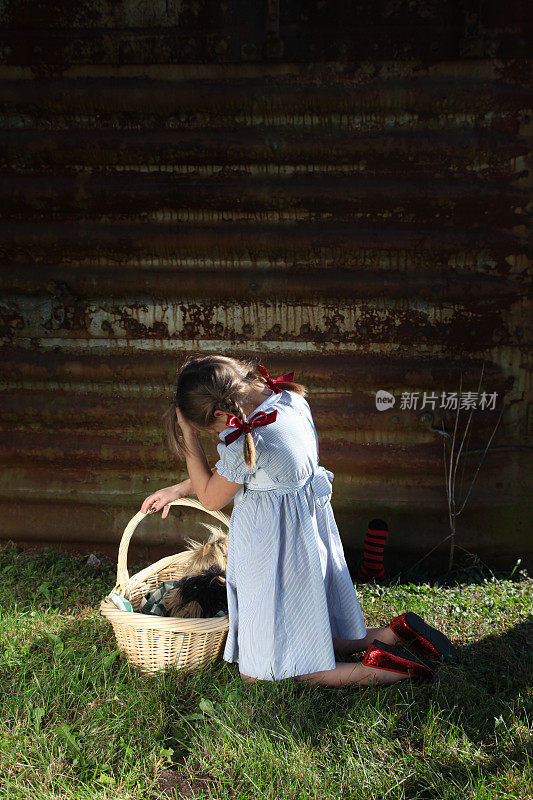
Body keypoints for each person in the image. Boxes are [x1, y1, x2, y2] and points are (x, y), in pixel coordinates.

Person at [141, 355, 457, 687]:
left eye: (209, 430)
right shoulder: (288, 400)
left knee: (258, 672)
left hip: (274, 550)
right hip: (304, 535)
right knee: (306, 632)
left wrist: (189, 439)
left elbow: (211, 497)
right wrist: (178, 489)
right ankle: (394, 633)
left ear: (220, 414)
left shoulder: (250, 441)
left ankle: (385, 669)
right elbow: (241, 474)